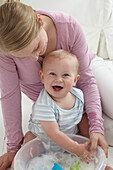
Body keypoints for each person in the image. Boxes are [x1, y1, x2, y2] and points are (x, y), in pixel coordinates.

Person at [0, 0, 110, 169]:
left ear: (39, 21)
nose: (35, 58)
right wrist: (13, 149)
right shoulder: (5, 49)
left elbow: (87, 80)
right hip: (57, 107)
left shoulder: (69, 27)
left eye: (36, 47)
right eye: (24, 56)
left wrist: (97, 127)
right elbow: (10, 96)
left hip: (84, 78)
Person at [25, 49, 94, 163]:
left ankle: (98, 164)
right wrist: (75, 148)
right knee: (28, 144)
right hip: (43, 140)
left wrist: (86, 138)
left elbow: (82, 116)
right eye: (52, 74)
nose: (58, 79)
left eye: (65, 75)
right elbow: (53, 133)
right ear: (42, 77)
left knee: (86, 149)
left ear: (75, 80)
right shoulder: (44, 105)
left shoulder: (78, 96)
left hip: (69, 136)